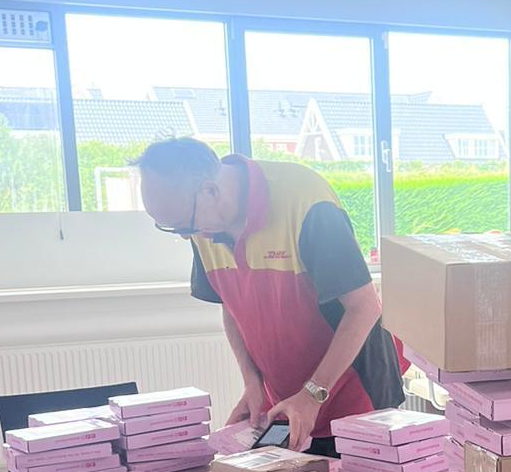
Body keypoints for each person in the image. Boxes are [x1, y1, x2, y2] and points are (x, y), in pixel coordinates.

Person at [135, 138, 403, 452]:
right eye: (168, 227)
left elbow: (365, 307)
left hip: (357, 396)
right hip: (289, 404)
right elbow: (231, 305)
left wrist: (313, 393)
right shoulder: (203, 223)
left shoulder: (304, 200)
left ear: (210, 190)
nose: (185, 237)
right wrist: (252, 383)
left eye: (183, 226)